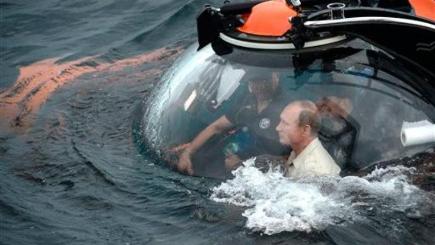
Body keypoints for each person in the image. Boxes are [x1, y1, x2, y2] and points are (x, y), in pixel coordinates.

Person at [172, 72, 289, 176]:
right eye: (254, 81)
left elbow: (294, 155)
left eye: (264, 80)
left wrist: (244, 166)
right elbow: (216, 127)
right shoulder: (247, 103)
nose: (260, 86)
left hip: (253, 177)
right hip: (226, 159)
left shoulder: (288, 110)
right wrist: (188, 152)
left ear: (276, 77)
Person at [275, 100, 341, 178]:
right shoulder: (299, 151)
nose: (278, 128)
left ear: (305, 130)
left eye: (285, 123)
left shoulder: (314, 172)